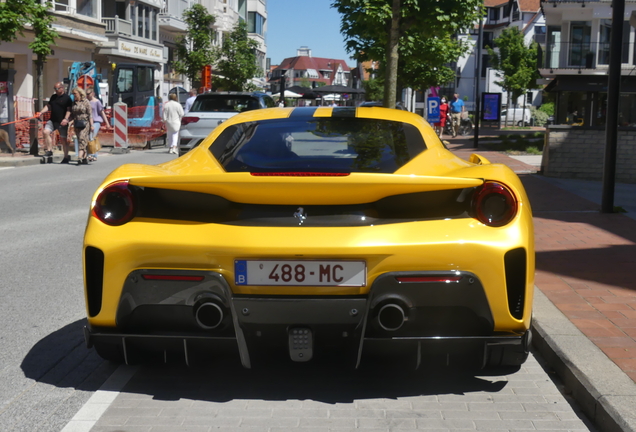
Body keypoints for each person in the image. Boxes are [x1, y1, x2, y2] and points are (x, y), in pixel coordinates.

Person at [38, 82, 73, 162]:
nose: (56, 90)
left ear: (62, 88)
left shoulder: (67, 98)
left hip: (62, 121)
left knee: (63, 139)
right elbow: (48, 106)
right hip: (52, 120)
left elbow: (69, 110)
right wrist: (41, 112)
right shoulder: (53, 97)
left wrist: (66, 119)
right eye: (55, 89)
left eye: (57, 88)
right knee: (46, 131)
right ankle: (49, 150)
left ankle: (66, 157)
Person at [69, 87, 93, 165]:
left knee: (82, 138)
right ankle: (85, 157)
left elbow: (90, 114)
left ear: (80, 93)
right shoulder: (74, 103)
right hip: (77, 123)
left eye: (75, 94)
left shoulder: (86, 102)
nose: (74, 95)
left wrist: (92, 125)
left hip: (85, 123)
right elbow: (72, 114)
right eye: (73, 94)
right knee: (81, 139)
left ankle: (79, 156)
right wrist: (70, 122)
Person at [86, 87, 110, 162]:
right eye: (86, 94)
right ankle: (92, 154)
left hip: (96, 121)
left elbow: (102, 112)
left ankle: (92, 155)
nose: (87, 95)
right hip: (88, 122)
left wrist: (107, 123)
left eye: (88, 94)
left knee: (91, 137)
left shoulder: (97, 102)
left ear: (92, 93)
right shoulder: (86, 102)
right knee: (90, 138)